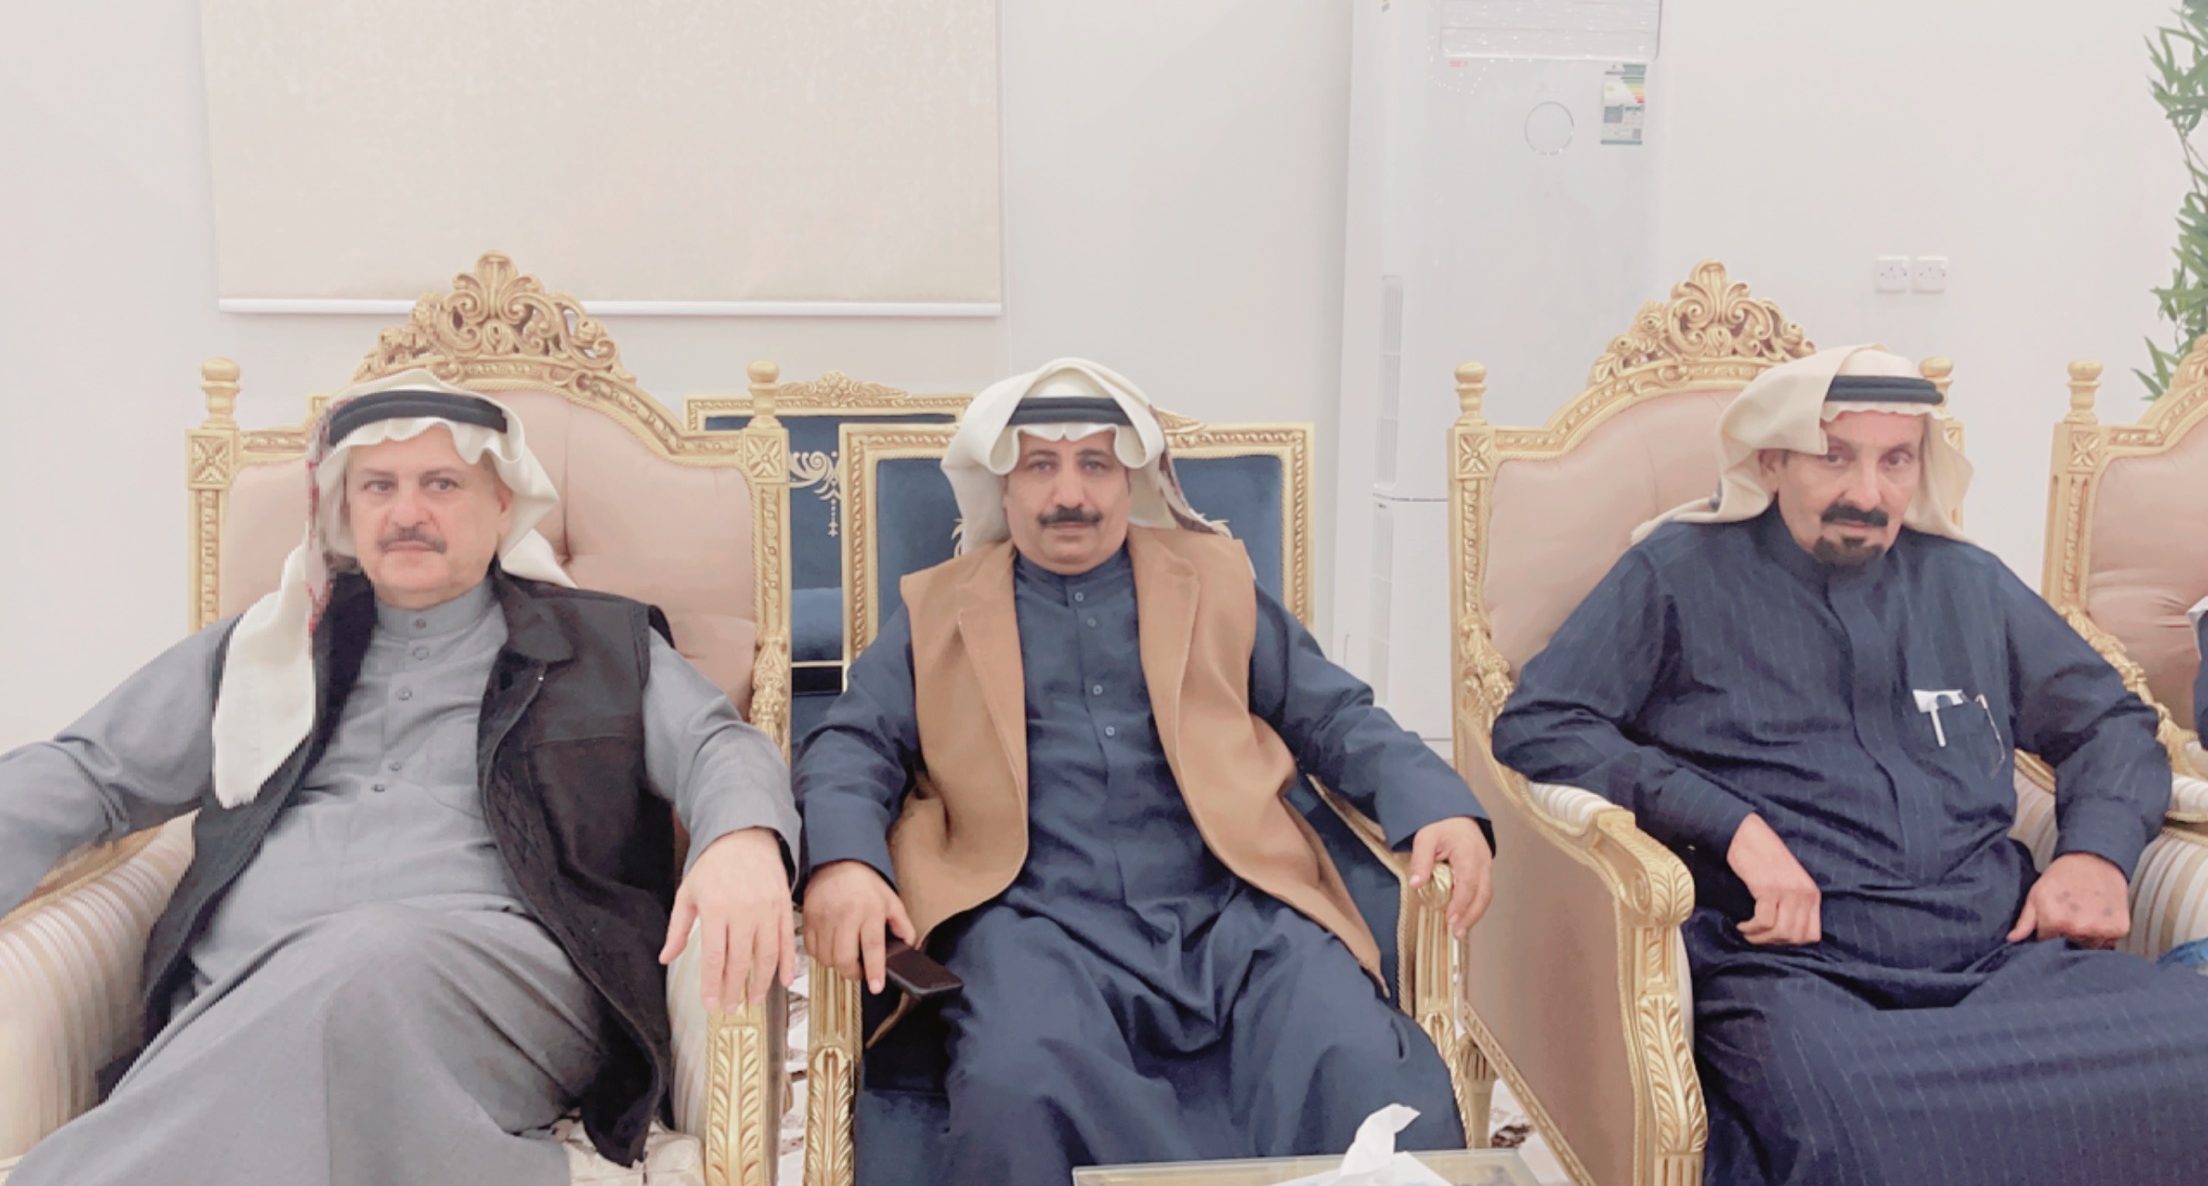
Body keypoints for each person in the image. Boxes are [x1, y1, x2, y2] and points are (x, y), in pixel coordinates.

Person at [1, 370, 799, 1185]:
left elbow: (718, 745)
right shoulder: (268, 646)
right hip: (240, 984)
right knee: (327, 993)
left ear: (502, 504)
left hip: (500, 990)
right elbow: (89, 771)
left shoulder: (600, 646)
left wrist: (742, 838)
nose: (406, 512)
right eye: (378, 486)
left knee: (365, 954)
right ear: (346, 509)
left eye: (440, 484)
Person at [1492, 346, 2208, 1185]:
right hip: (1800, 973)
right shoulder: (1676, 575)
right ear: (1772, 461)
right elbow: (1543, 721)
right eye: (1835, 458)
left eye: (1895, 461)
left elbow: (2108, 722)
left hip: (2000, 957)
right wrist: (1729, 824)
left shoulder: (1966, 582)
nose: (1868, 494)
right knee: (1863, 1130)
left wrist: (2094, 854)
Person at [796, 359, 1493, 1182]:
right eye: (1041, 466)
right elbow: (852, 743)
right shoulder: (938, 608)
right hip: (1031, 920)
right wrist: (844, 861)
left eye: (1095, 464)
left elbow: (1331, 713)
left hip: (1235, 905)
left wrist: (1434, 802)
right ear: (1004, 487)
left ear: (1129, 480)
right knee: (1019, 1083)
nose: (1070, 495)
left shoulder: (1213, 580)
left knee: (1357, 1060)